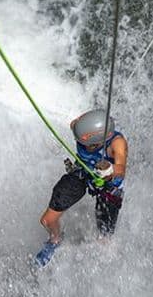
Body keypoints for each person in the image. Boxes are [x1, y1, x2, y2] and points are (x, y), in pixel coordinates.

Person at [35, 109, 128, 267]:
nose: (82, 146)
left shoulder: (117, 143)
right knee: (46, 220)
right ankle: (55, 239)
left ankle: (103, 263)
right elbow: (76, 125)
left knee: (105, 239)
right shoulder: (77, 128)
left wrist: (110, 170)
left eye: (88, 145)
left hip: (108, 186)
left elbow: (121, 167)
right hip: (83, 173)